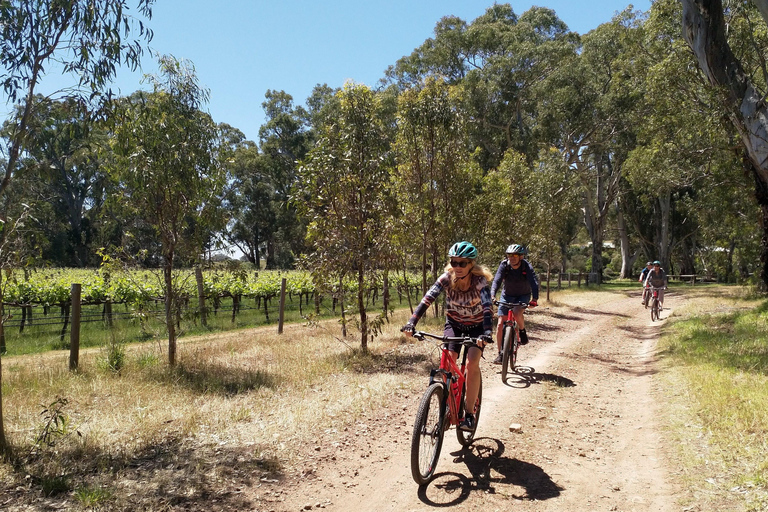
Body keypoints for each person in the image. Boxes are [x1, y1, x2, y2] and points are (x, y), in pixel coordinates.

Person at [401, 241, 493, 432]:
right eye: (454, 262)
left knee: (472, 363)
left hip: (477, 326)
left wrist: (486, 332)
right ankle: (448, 404)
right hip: (454, 323)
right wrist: (412, 322)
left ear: (471, 265)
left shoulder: (480, 281)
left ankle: (468, 415)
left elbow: (486, 308)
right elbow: (428, 298)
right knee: (447, 361)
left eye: (462, 263)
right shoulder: (446, 278)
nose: (457, 267)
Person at [489, 244, 539, 365]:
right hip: (507, 295)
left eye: (515, 255)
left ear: (521, 256)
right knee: (501, 323)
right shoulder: (504, 265)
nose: (512, 257)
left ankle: (522, 331)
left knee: (517, 313)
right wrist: (492, 295)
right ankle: (501, 354)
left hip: (523, 295)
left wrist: (535, 299)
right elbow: (497, 280)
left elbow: (534, 282)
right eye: (510, 255)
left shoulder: (526, 266)